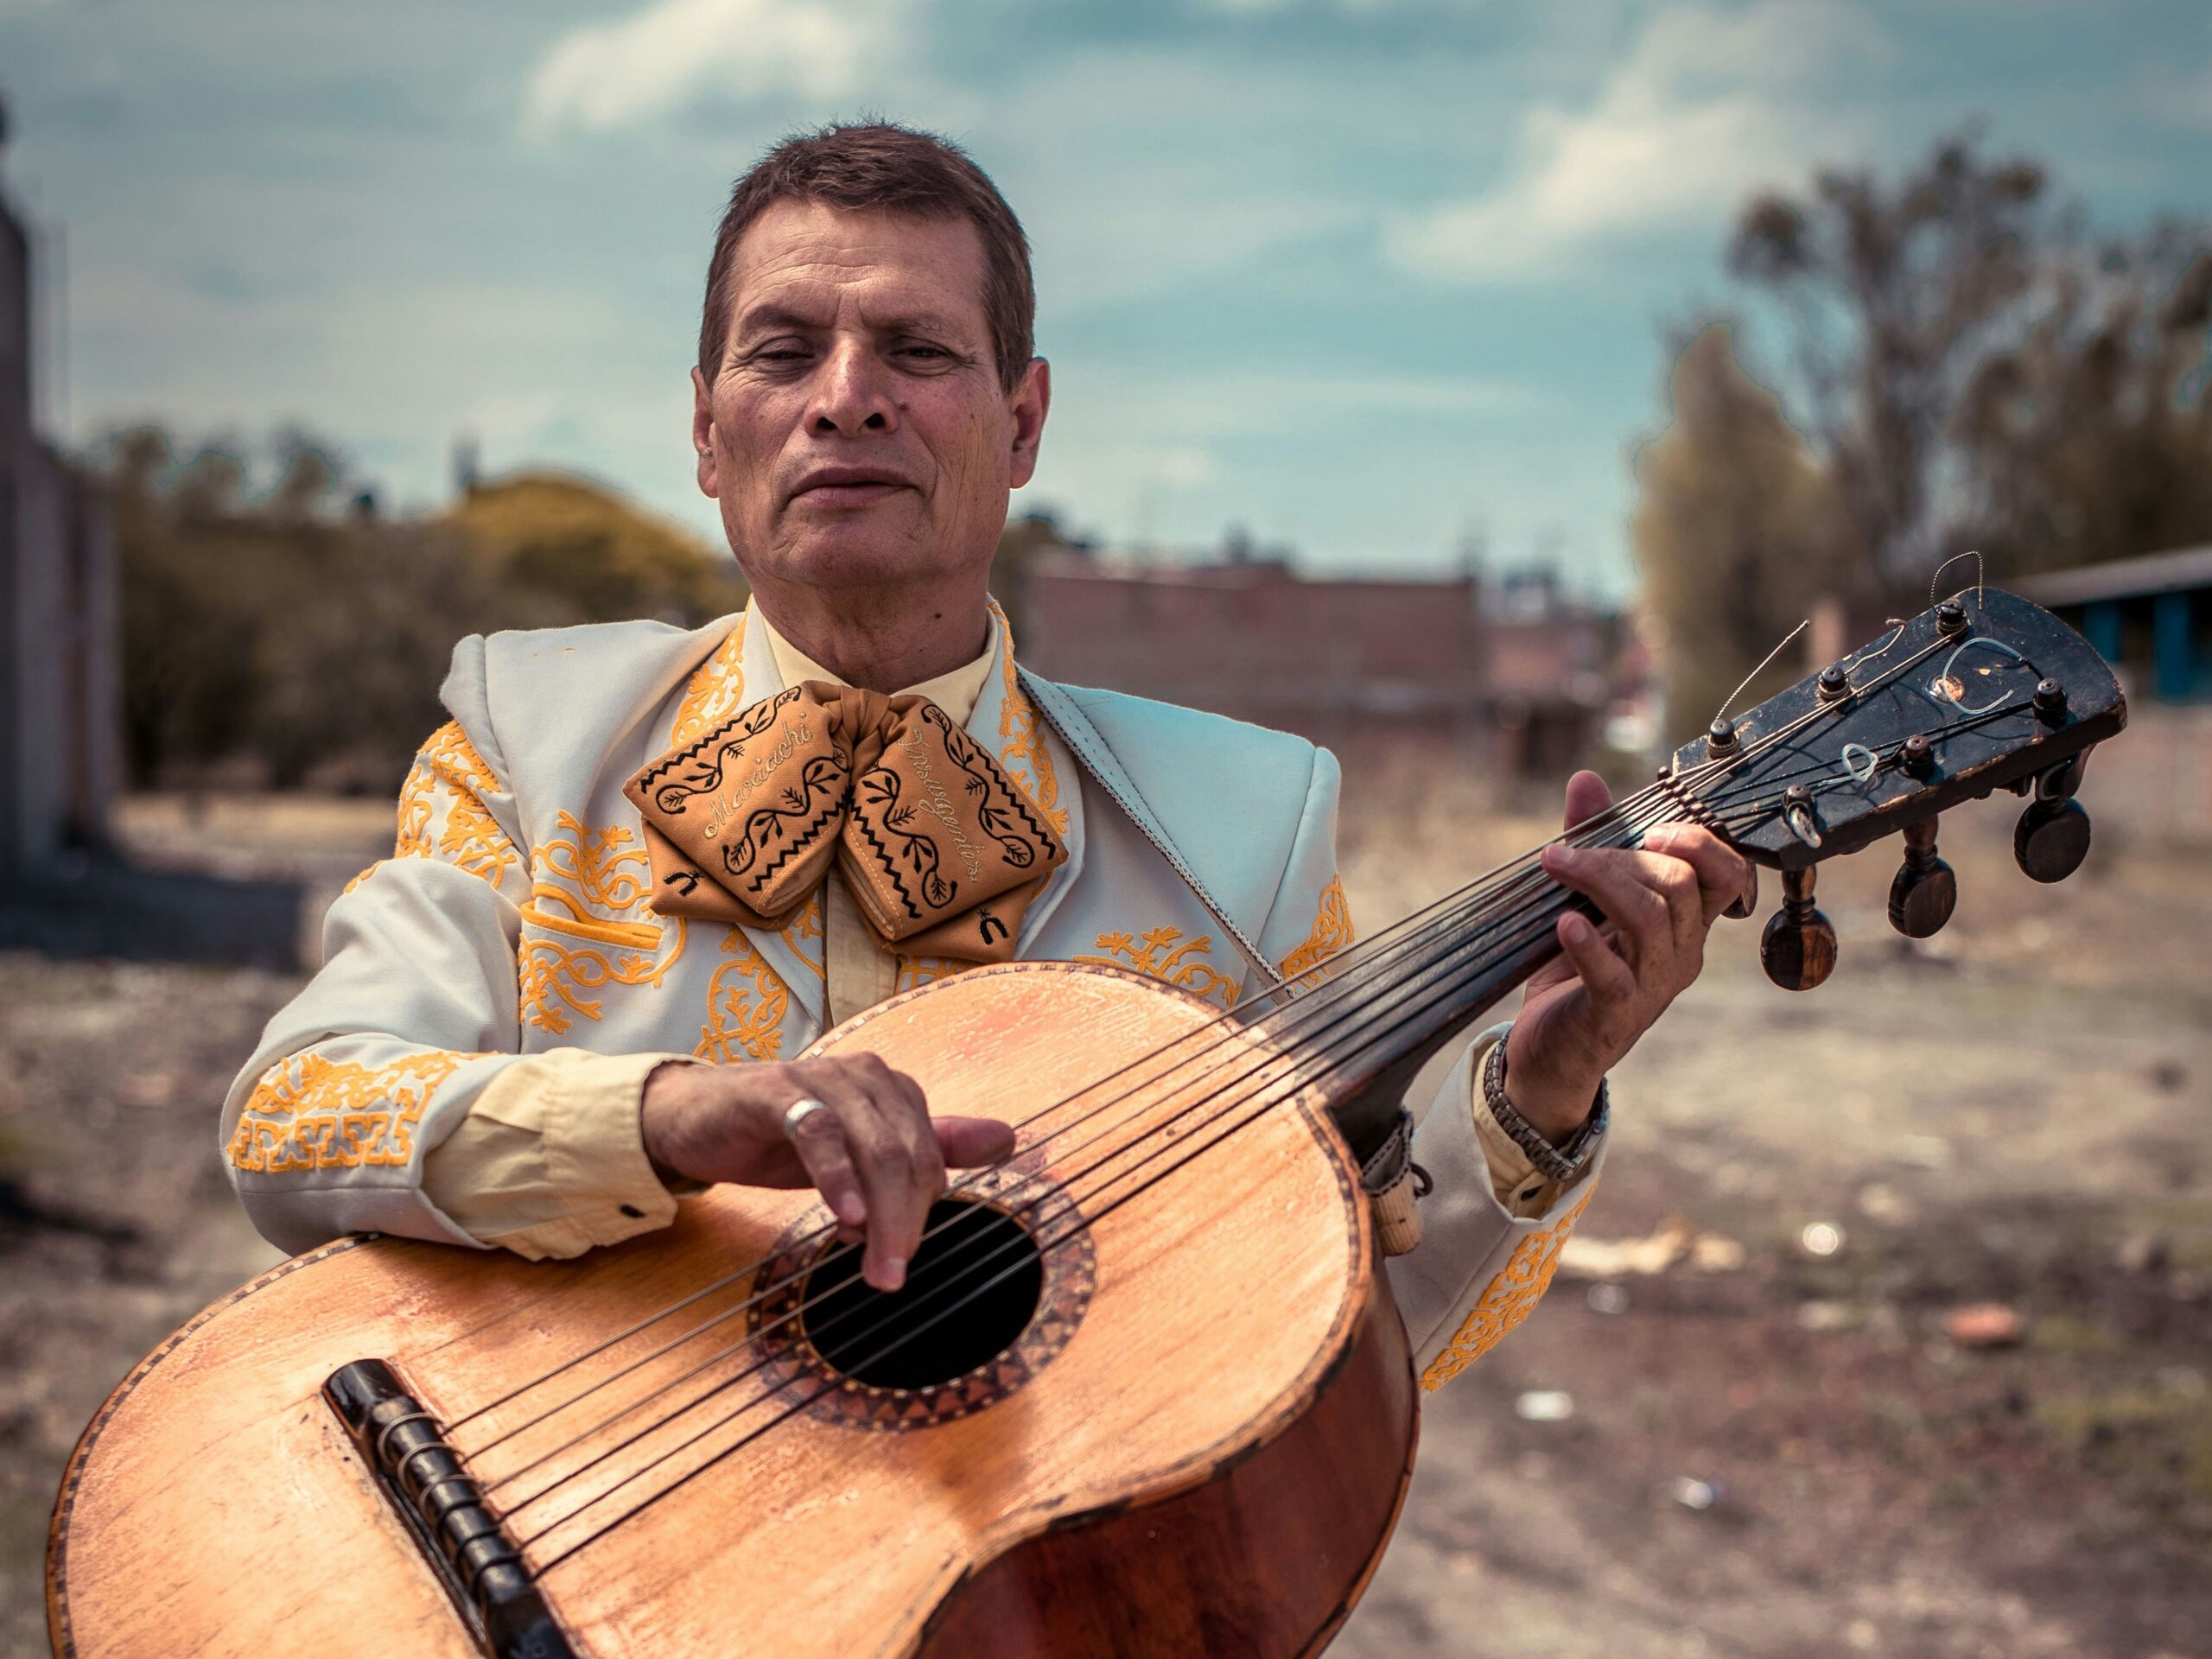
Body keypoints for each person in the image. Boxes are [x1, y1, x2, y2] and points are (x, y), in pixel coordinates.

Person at [221, 122, 1747, 1392]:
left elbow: (1330, 1354)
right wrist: (665, 1118)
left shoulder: (1243, 832)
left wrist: (1538, 1098)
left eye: (916, 348)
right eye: (783, 350)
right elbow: (299, 1117)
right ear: (705, 431)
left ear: (1022, 424)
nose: (846, 396)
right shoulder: (522, 746)